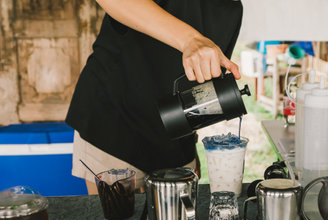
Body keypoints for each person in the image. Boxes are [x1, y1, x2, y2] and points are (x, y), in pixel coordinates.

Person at [65, 0, 244, 194]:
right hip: (115, 127)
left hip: (174, 142)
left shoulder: (232, 11)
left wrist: (190, 143)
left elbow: (194, 87)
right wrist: (189, 39)